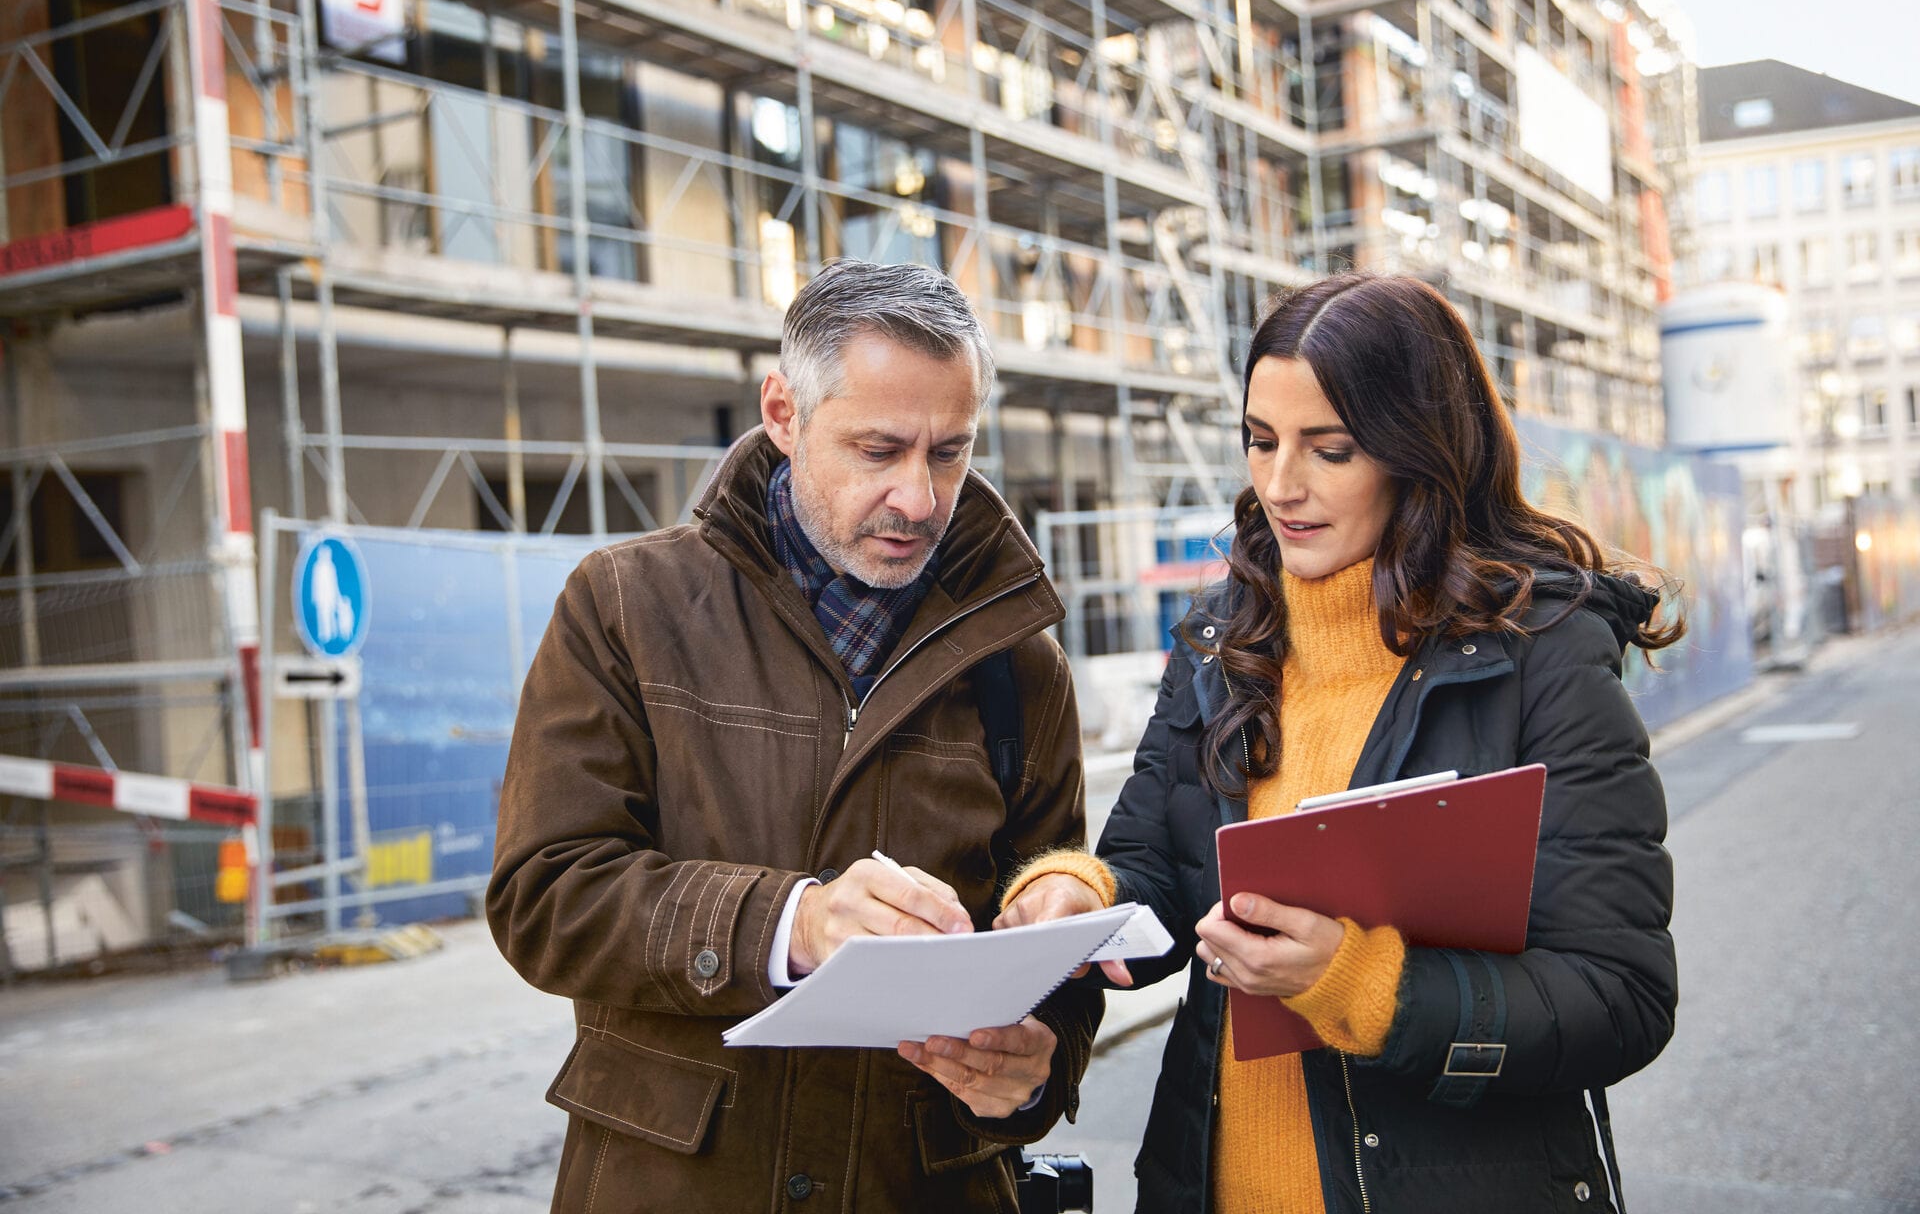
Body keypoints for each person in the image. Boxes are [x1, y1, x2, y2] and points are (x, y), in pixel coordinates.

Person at [999, 273, 1682, 1213]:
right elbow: (1154, 874)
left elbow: (1619, 996)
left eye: (1331, 450)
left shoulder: (1542, 653)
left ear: (1419, 451)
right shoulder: (1219, 641)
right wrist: (1080, 896)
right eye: (1260, 439)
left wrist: (1358, 984)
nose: (1282, 485)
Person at [489, 260, 1101, 1212]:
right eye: (878, 449)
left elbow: (1054, 955)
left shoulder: (1022, 668)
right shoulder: (624, 607)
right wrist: (792, 924)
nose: (919, 498)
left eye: (949, 453)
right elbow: (544, 895)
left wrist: (1033, 1074)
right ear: (784, 412)